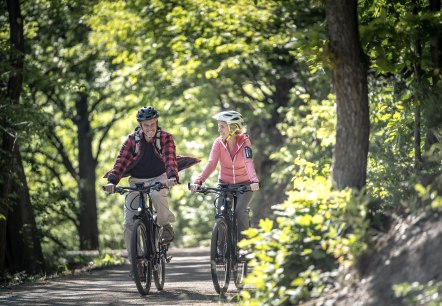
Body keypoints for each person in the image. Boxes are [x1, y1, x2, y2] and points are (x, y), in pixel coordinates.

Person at [104, 106, 179, 260]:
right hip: (137, 181)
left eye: (153, 124)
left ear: (157, 122)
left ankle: (165, 226)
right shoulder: (132, 140)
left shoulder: (165, 137)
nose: (150, 128)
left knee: (157, 195)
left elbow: (170, 159)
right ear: (140, 125)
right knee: (129, 222)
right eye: (146, 125)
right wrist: (112, 181)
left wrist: (171, 176)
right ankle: (135, 261)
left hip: (159, 177)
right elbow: (121, 162)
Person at [190, 110, 260, 242]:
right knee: (220, 212)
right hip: (224, 184)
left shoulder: (245, 142)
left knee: (240, 212)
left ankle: (244, 247)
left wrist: (254, 180)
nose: (219, 129)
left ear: (232, 127)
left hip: (244, 185)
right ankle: (220, 250)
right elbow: (211, 164)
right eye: (219, 126)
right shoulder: (218, 143)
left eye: (222, 126)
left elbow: (248, 162)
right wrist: (199, 181)